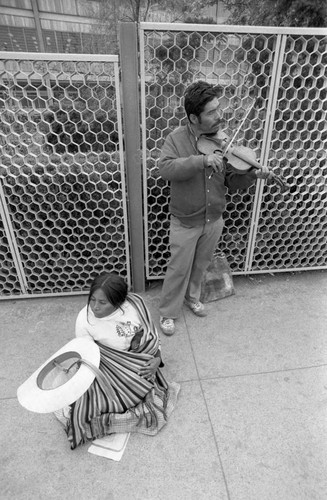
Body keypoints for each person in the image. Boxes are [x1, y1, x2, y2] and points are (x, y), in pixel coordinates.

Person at [158, 80, 273, 336]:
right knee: (178, 268)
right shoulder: (175, 139)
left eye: (217, 109)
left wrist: (253, 176)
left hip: (213, 219)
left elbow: (231, 181)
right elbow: (165, 169)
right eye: (211, 112)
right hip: (185, 220)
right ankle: (168, 311)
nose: (218, 116)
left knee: (201, 265)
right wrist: (201, 160)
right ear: (193, 117)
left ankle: (193, 297)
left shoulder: (223, 141)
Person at [58, 271, 179, 449]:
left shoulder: (135, 307)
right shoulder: (84, 321)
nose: (95, 307)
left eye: (102, 302)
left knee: (142, 385)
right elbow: (87, 355)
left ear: (120, 302)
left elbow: (150, 336)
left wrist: (156, 359)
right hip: (105, 363)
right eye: (92, 299)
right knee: (94, 406)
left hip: (134, 359)